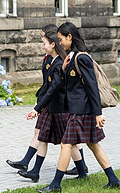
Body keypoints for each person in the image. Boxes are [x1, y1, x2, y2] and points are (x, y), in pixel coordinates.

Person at [38, 22, 120, 192]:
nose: (59, 42)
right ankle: (114, 180)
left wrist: (98, 114)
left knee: (66, 145)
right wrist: (63, 69)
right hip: (78, 110)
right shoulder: (71, 57)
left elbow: (91, 87)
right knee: (93, 144)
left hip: (82, 111)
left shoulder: (81, 57)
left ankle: (55, 185)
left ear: (70, 37)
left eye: (61, 39)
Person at [17, 28, 87, 183]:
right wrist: (39, 105)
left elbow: (53, 90)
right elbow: (47, 88)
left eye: (44, 43)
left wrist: (37, 108)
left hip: (61, 110)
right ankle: (35, 171)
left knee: (71, 143)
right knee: (42, 137)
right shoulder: (52, 61)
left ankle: (82, 172)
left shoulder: (59, 64)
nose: (43, 46)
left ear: (53, 44)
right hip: (52, 109)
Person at [6, 25, 56, 173]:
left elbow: (52, 85)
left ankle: (81, 166)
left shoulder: (56, 60)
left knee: (70, 140)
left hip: (56, 104)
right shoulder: (49, 58)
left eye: (43, 37)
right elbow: (47, 84)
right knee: (39, 132)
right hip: (47, 101)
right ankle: (27, 164)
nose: (41, 41)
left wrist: (39, 105)